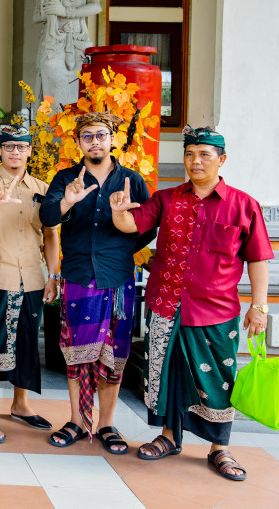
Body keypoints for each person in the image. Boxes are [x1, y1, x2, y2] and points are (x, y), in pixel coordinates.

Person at [110, 126, 272, 481]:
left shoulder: (244, 205)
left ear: (221, 160)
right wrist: (120, 212)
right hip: (165, 305)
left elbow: (259, 258)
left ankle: (219, 448)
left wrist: (259, 306)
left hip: (215, 311)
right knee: (164, 376)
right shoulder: (166, 199)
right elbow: (131, 225)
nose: (195, 161)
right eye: (189, 154)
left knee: (218, 382)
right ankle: (168, 437)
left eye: (204, 155)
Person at [39, 112, 153, 454]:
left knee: (115, 355)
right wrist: (67, 201)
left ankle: (105, 423)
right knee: (76, 355)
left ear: (112, 139)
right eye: (87, 136)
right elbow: (46, 218)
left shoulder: (132, 180)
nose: (95, 142)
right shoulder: (65, 178)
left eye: (101, 135)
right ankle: (76, 419)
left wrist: (119, 241)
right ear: (78, 143)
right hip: (78, 277)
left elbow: (148, 229)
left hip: (118, 279)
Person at [0, 125, 60, 430]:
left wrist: (53, 276)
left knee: (26, 340)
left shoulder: (43, 189)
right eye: (9, 147)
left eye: (21, 148)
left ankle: (21, 404)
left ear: (29, 152)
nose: (14, 153)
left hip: (33, 277)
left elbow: (50, 235)